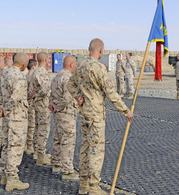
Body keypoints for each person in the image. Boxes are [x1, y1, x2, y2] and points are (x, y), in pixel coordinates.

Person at [67, 38, 134, 194]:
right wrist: (126, 111)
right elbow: (110, 93)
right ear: (101, 50)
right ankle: (93, 187)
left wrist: (78, 97)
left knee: (85, 149)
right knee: (96, 151)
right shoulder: (98, 68)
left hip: (84, 115)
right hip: (96, 116)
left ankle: (83, 185)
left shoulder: (80, 66)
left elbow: (70, 84)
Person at [0, 53, 30, 191]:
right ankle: (12, 179)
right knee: (15, 147)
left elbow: (0, 93)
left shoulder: (5, 73)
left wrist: (1, 108)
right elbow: (16, 97)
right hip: (16, 116)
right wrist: (6, 109)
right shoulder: (20, 76)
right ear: (24, 64)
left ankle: (5, 175)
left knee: (6, 145)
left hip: (7, 117)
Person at [49, 55, 79, 180]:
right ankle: (67, 171)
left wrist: (53, 106)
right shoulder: (68, 78)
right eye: (76, 64)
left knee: (58, 138)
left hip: (58, 114)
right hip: (66, 113)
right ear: (72, 65)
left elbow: (52, 94)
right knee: (67, 141)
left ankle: (56, 163)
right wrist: (58, 107)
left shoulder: (57, 76)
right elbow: (67, 98)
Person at [30, 52, 52, 166]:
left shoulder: (35, 72)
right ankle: (41, 155)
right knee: (43, 129)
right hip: (42, 104)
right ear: (45, 59)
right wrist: (38, 94)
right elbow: (45, 89)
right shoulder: (42, 72)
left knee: (37, 128)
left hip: (37, 104)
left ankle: (37, 151)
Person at [24, 59, 38, 155]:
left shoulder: (25, 76)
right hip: (32, 104)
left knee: (27, 125)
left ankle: (27, 144)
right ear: (33, 67)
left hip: (27, 104)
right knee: (32, 126)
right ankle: (30, 146)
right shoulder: (32, 77)